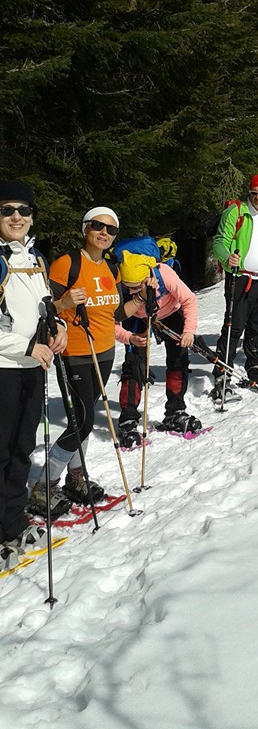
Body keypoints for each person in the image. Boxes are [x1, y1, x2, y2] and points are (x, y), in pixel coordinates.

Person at [29, 207, 151, 518]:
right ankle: (45, 485)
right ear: (85, 228)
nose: (104, 233)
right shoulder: (67, 264)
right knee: (80, 420)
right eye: (98, 226)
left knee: (83, 419)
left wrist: (137, 301)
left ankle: (76, 478)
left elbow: (113, 313)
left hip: (105, 352)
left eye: (110, 229)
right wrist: (65, 303)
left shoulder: (112, 269)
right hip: (75, 353)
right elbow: (42, 310)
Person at [0, 181, 68, 569]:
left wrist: (56, 328)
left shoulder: (36, 258)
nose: (16, 217)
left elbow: (45, 307)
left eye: (23, 211)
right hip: (4, 369)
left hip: (32, 368)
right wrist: (26, 347)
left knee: (22, 448)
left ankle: (13, 524)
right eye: (7, 210)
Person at [210, 174, 258, 395]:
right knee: (234, 326)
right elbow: (219, 241)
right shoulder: (236, 211)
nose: (257, 197)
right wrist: (227, 258)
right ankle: (222, 369)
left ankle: (254, 364)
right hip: (242, 278)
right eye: (254, 193)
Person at [115, 250, 202, 445]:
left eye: (136, 287)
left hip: (170, 311)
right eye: (126, 287)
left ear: (148, 279)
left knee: (178, 359)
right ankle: (128, 420)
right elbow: (109, 323)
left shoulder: (163, 273)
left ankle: (175, 411)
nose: (130, 292)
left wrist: (188, 331)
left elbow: (189, 299)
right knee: (134, 365)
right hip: (136, 318)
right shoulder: (118, 285)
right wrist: (129, 338)